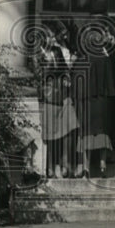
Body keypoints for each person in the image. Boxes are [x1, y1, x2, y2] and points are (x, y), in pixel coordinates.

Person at [75, 17, 115, 178]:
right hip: (102, 96)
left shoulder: (84, 52)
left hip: (89, 97)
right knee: (102, 129)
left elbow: (75, 74)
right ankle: (101, 162)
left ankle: (87, 165)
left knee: (88, 130)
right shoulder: (107, 51)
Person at [39, 21, 79, 178]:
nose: (51, 39)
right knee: (50, 134)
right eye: (49, 36)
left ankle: (61, 165)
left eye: (51, 36)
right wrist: (58, 73)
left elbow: (63, 69)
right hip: (48, 95)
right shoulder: (37, 53)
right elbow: (39, 75)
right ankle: (50, 167)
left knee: (61, 131)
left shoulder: (56, 51)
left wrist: (66, 76)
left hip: (60, 94)